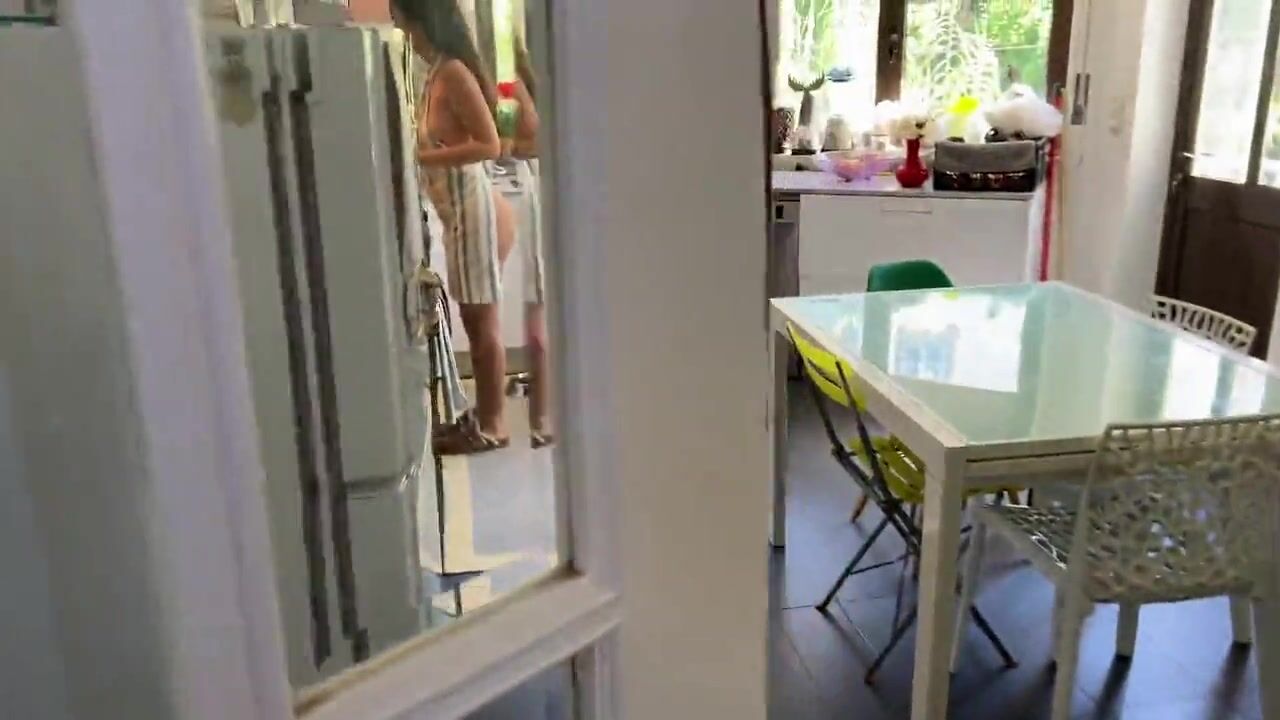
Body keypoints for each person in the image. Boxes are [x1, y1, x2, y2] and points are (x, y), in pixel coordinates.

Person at [393, 0, 516, 454]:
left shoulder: (454, 74)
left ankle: (494, 426)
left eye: (402, 23)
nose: (404, 33)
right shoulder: (436, 73)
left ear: (418, 21)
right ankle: (483, 414)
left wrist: (420, 157)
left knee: (483, 326)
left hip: (472, 209)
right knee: (474, 320)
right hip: (458, 213)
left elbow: (489, 143)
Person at [503, 39, 553, 448]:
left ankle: (542, 419)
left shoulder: (509, 86)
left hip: (538, 190)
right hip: (550, 188)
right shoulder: (537, 83)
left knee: (538, 313)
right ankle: (545, 416)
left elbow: (504, 146)